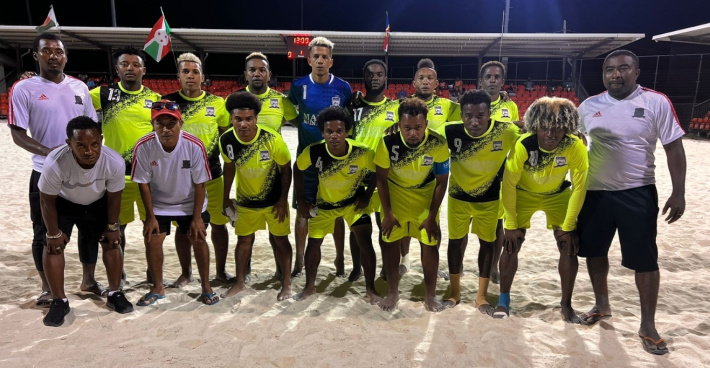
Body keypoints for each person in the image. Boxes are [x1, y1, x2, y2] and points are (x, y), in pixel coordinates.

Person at [576, 50, 686, 355]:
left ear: (636, 72)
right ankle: (602, 304)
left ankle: (647, 324)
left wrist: (679, 192)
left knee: (645, 261)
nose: (616, 74)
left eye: (623, 69)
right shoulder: (589, 106)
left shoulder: (656, 102)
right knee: (594, 252)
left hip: (637, 192)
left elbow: (674, 148)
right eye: (609, 70)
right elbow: (575, 142)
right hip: (594, 193)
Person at [8, 33, 101, 306]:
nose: (53, 55)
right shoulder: (24, 89)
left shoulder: (79, 88)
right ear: (35, 55)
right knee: (43, 231)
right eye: (46, 50)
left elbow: (93, 127)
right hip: (45, 172)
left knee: (88, 227)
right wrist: (51, 153)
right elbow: (17, 133)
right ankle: (47, 287)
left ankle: (89, 280)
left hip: (83, 171)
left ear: (66, 57)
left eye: (58, 51)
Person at [495, 97, 588, 322]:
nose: (550, 134)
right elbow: (507, 184)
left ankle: (566, 305)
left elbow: (579, 187)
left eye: (557, 128)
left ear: (568, 127)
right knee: (511, 244)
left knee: (568, 245)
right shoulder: (524, 144)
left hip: (557, 195)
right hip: (522, 194)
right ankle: (503, 300)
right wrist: (509, 225)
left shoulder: (574, 145)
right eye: (545, 127)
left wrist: (567, 226)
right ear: (536, 125)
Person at [39, 117, 133, 326]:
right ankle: (59, 301)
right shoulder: (55, 162)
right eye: (80, 145)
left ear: (101, 139)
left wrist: (112, 227)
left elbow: (114, 197)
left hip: (97, 202)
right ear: (69, 143)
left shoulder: (114, 161)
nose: (89, 151)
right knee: (52, 246)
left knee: (112, 241)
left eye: (94, 144)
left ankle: (115, 293)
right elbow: (46, 200)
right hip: (64, 203)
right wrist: (53, 233)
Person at [438, 90, 519, 314]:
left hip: (490, 199)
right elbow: (422, 134)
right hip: (458, 198)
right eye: (468, 115)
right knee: (455, 243)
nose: (474, 121)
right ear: (461, 114)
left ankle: (481, 296)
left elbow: (532, 137)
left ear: (489, 113)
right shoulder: (449, 130)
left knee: (487, 244)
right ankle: (454, 292)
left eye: (480, 116)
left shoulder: (506, 130)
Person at [131, 100, 219, 306]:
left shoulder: (194, 145)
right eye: (159, 123)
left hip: (190, 202)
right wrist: (150, 217)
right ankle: (157, 288)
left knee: (198, 238)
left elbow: (200, 184)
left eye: (171, 123)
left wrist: (197, 218)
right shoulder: (143, 146)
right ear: (152, 125)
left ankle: (206, 286)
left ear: (181, 123)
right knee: (153, 240)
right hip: (159, 203)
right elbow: (143, 184)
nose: (165, 128)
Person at [293, 106, 381, 303]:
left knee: (366, 242)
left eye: (339, 131)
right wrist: (301, 200)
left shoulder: (362, 152)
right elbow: (297, 169)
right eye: (329, 131)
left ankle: (371, 289)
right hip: (324, 206)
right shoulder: (314, 152)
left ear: (347, 132)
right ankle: (309, 287)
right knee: (314, 243)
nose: (334, 136)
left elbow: (380, 171)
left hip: (353, 204)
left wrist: (367, 196)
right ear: (322, 132)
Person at [90, 46, 161, 286]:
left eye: (135, 64)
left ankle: (152, 276)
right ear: (117, 68)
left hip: (147, 177)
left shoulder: (155, 99)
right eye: (124, 64)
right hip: (115, 176)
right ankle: (118, 276)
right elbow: (71, 101)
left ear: (144, 69)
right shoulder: (102, 94)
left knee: (152, 229)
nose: (130, 68)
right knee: (115, 230)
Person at [163, 53, 232, 286]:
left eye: (195, 72)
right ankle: (186, 272)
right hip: (180, 179)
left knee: (219, 225)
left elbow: (224, 135)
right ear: (178, 76)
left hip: (212, 175)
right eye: (185, 72)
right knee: (183, 229)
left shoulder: (217, 103)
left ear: (202, 76)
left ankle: (220, 272)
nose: (190, 76)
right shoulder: (168, 103)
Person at [375, 98, 450, 312]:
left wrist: (431, 217)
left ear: (426, 124)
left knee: (429, 242)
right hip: (396, 193)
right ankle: (393, 293)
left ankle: (430, 296)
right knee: (389, 242)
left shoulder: (438, 143)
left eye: (418, 127)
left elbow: (442, 181)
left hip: (424, 195)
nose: (413, 133)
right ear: (399, 125)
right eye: (407, 128)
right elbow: (381, 179)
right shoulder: (387, 142)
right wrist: (388, 213)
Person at [287, 37, 353, 279]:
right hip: (306, 160)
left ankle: (339, 258)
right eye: (316, 56)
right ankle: (299, 259)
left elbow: (347, 121)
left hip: (335, 162)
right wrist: (302, 127)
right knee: (302, 211)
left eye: (325, 57)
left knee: (335, 211)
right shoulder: (298, 86)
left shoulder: (343, 88)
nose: (320, 61)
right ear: (309, 59)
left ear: (331, 61)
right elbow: (291, 112)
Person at [219, 92, 293, 301]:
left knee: (281, 240)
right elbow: (229, 166)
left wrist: (282, 200)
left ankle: (286, 283)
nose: (243, 124)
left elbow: (286, 170)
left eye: (248, 119)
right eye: (238, 119)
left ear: (256, 119)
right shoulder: (226, 140)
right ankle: (240, 282)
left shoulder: (272, 139)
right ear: (231, 119)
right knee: (244, 241)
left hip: (273, 202)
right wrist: (226, 198)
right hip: (246, 202)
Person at [240, 52, 298, 278]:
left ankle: (280, 271)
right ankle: (244, 270)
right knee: (247, 231)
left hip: (276, 173)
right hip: (247, 175)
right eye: (252, 70)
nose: (257, 73)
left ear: (269, 74)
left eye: (261, 69)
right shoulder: (234, 101)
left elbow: (300, 123)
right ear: (245, 75)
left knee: (278, 229)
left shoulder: (281, 101)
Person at [350, 59, 400, 280]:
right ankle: (356, 267)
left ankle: (386, 268)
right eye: (370, 74)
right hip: (357, 175)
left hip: (386, 176)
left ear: (385, 78)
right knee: (357, 227)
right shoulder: (353, 106)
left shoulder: (395, 108)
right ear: (364, 78)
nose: (375, 77)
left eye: (379, 74)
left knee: (385, 226)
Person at [478, 60, 522, 284]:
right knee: (471, 226)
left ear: (502, 82)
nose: (492, 80)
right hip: (476, 172)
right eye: (488, 77)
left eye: (496, 77)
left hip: (502, 173)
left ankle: (493, 266)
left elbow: (515, 135)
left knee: (498, 224)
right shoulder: (473, 105)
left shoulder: (510, 106)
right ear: (481, 80)